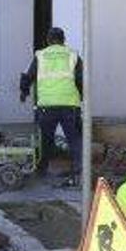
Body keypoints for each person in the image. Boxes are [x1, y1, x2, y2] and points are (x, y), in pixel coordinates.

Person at [19, 27, 83, 188]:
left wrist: (24, 92)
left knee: (45, 140)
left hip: (46, 105)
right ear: (63, 40)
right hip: (70, 105)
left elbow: (27, 75)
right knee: (74, 139)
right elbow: (81, 79)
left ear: (48, 40)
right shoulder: (73, 55)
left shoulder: (40, 55)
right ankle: (79, 170)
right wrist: (82, 97)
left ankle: (41, 169)